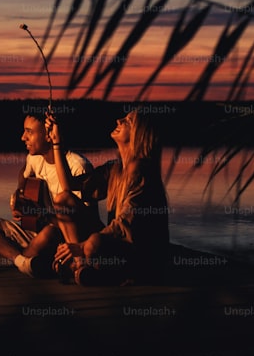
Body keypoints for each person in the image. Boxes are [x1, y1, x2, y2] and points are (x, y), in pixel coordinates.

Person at [0, 112, 97, 277]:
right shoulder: (34, 158)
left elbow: (84, 222)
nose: (23, 137)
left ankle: (5, 255)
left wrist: (42, 215)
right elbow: (23, 173)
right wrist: (20, 193)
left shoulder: (77, 166)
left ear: (49, 136)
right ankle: (21, 260)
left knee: (49, 232)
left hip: (62, 238)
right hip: (35, 229)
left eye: (29, 132)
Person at [49, 108, 170, 285]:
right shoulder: (115, 168)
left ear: (140, 134)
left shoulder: (142, 171)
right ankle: (81, 266)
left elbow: (125, 226)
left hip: (140, 254)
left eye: (128, 121)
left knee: (93, 243)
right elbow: (69, 185)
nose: (118, 120)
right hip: (116, 246)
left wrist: (80, 246)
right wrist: (56, 143)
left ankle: (93, 268)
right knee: (63, 200)